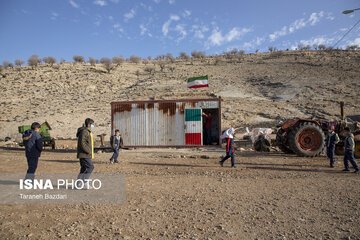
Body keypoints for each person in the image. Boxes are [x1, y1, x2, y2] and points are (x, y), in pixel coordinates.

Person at [76, 118, 95, 185]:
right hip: (84, 154)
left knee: (84, 168)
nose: (93, 126)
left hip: (85, 154)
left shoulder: (87, 132)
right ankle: (85, 181)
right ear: (89, 124)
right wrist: (88, 151)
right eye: (92, 124)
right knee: (90, 167)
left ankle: (78, 184)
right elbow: (82, 143)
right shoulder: (84, 132)